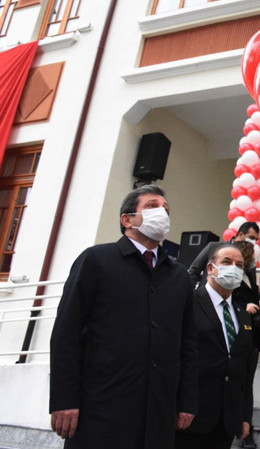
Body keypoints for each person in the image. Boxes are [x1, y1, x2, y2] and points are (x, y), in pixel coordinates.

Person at [50, 185, 198, 448]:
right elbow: (66, 332)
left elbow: (188, 345)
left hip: (158, 414)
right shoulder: (96, 260)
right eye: (152, 206)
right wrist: (64, 399)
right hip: (101, 408)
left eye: (166, 209)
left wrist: (186, 402)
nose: (162, 212)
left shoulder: (179, 277)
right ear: (127, 219)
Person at [176, 243, 255, 449]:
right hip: (189, 416)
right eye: (227, 262)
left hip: (226, 421)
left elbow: (245, 371)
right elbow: (176, 359)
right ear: (210, 268)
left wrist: (245, 415)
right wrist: (181, 404)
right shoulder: (188, 303)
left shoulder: (243, 314)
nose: (234, 268)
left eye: (239, 265)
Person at [230, 240, 260, 449]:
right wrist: (246, 306)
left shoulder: (250, 274)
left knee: (248, 385)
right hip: (237, 334)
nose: (254, 258)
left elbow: (249, 298)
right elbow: (232, 301)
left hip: (253, 333)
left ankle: (247, 429)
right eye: (252, 254)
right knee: (237, 382)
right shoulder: (231, 274)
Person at [187, 221, 260, 290]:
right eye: (251, 238)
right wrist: (190, 295)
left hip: (235, 303)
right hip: (207, 298)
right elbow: (194, 271)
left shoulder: (250, 256)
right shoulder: (214, 247)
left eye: (256, 240)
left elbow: (250, 284)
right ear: (241, 235)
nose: (253, 242)